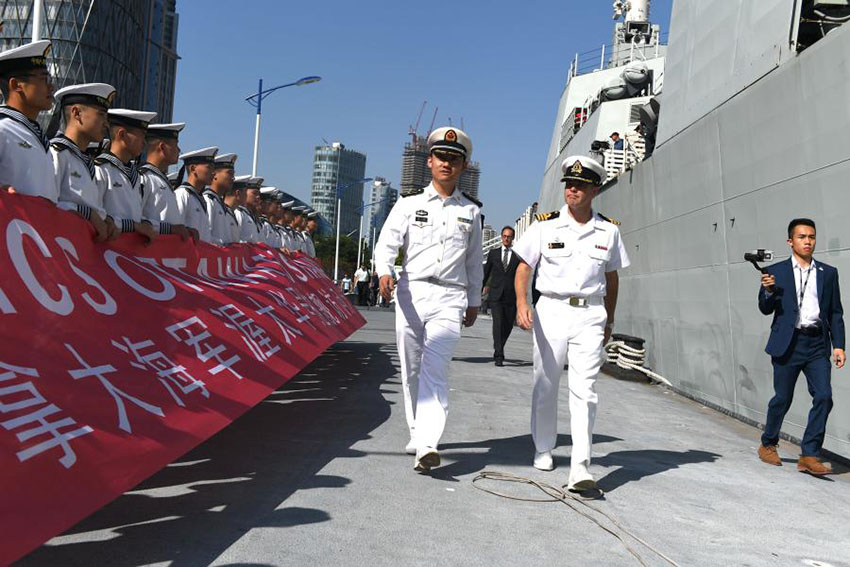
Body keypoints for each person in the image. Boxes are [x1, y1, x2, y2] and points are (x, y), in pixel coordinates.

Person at [513, 154, 629, 494]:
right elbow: (524, 268)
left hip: (590, 314)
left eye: (580, 185)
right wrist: (522, 303)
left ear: (594, 190)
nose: (572, 190)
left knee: (585, 390)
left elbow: (612, 277)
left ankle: (580, 466)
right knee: (546, 383)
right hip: (551, 310)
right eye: (570, 184)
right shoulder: (545, 226)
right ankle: (543, 447)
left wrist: (609, 319)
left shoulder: (609, 230)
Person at [375, 126, 483, 472]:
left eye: (454, 159)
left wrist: (473, 300)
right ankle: (416, 430)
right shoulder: (409, 204)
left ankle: (428, 443)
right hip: (412, 291)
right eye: (441, 157)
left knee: (436, 368)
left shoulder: (471, 211)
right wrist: (384, 272)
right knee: (411, 367)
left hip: (450, 296)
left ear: (463, 166)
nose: (446, 163)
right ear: (430, 161)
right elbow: (387, 243)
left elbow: (474, 260)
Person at [757, 218, 845, 475]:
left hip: (817, 343)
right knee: (782, 398)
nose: (808, 241)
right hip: (788, 343)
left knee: (824, 396)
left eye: (811, 237)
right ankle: (768, 443)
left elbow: (835, 312)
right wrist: (768, 291)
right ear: (790, 241)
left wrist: (839, 345)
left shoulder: (828, 273)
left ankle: (809, 454)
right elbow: (765, 308)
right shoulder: (775, 271)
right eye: (802, 237)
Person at [49, 82, 116, 241]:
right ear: (77, 113)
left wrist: (104, 218)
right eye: (101, 114)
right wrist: (88, 214)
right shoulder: (56, 153)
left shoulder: (85, 161)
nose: (106, 124)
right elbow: (43, 206)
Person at [0, 40, 58, 200]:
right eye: (45, 79)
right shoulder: (3, 128)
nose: (51, 87)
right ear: (16, 85)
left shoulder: (37, 136)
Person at [96, 108, 159, 243]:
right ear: (122, 134)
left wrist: (144, 223)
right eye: (141, 135)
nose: (144, 142)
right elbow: (96, 217)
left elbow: (134, 214)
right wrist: (134, 226)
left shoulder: (135, 175)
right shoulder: (101, 169)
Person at [140, 122, 194, 242]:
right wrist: (170, 229)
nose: (179, 150)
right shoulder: (144, 177)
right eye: (176, 145)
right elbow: (137, 221)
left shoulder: (161, 180)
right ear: (162, 147)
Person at [482, 226, 521, 366]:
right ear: (501, 236)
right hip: (496, 295)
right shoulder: (493, 253)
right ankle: (499, 354)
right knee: (498, 324)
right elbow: (486, 273)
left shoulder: (518, 255)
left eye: (509, 236)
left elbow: (521, 276)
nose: (506, 239)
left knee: (508, 325)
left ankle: (499, 345)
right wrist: (478, 291)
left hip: (511, 295)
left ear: (513, 238)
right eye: (504, 236)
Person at [174, 146, 217, 243]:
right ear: (193, 168)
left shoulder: (199, 198)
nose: (213, 173)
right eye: (209, 167)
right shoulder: (182, 194)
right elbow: (177, 229)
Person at [205, 152, 238, 245]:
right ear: (214, 174)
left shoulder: (221, 204)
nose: (233, 178)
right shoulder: (208, 200)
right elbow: (205, 236)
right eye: (229, 173)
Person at [235, 175, 262, 243]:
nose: (258, 197)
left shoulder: (251, 216)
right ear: (244, 192)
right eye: (254, 193)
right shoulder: (238, 213)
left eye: (259, 194)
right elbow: (235, 240)